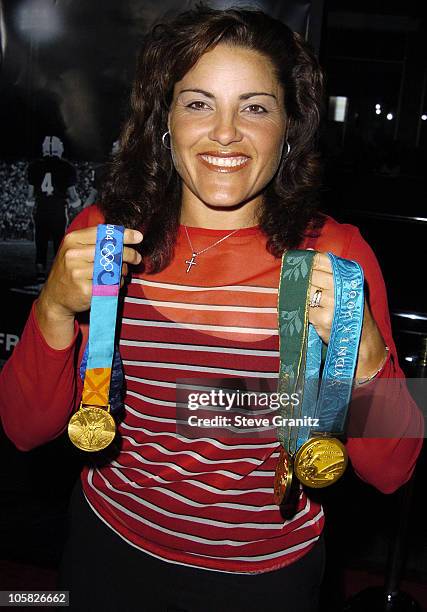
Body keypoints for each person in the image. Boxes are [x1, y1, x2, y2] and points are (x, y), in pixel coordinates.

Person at [0, 5, 424, 612]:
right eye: (199, 102)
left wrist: (367, 356)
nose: (225, 132)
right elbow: (23, 428)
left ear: (288, 128)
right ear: (165, 120)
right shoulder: (105, 238)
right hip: (107, 547)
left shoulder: (335, 252)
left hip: (263, 578)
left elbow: (394, 469)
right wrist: (52, 310)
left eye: (255, 107)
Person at [26, 136, 81, 283]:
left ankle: (40, 272)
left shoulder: (34, 166)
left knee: (40, 241)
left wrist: (29, 209)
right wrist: (78, 206)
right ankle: (57, 273)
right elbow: (72, 194)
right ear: (59, 148)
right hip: (58, 210)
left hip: (41, 209)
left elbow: (30, 195)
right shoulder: (67, 167)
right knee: (59, 242)